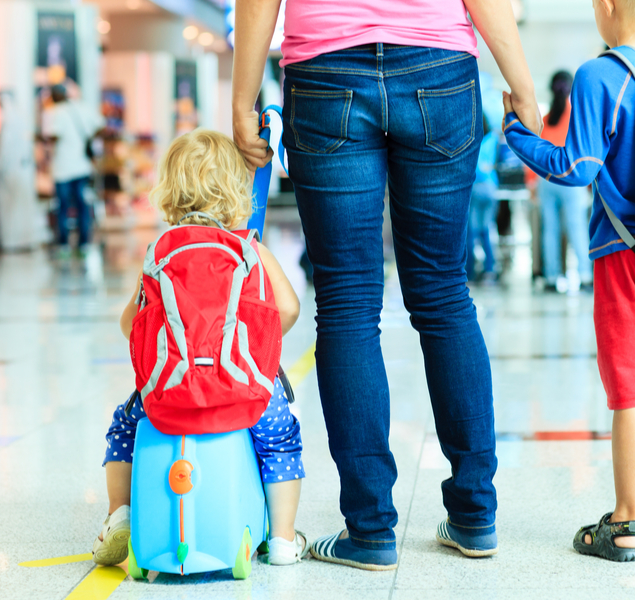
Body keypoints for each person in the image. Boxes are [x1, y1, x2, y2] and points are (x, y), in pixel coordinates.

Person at [232, 0, 542, 571]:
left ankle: (370, 528)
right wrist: (521, 83)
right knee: (445, 294)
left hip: (326, 72)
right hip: (439, 70)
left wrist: (242, 100)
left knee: (347, 304)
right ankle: (475, 516)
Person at [503, 0, 635, 562]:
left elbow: (577, 169)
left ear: (606, 6)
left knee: (634, 392)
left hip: (628, 257)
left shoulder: (600, 73)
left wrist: (517, 134)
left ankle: (625, 524)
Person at [91, 130, 308, 567]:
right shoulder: (249, 249)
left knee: (122, 428)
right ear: (236, 190)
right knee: (281, 441)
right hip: (246, 395)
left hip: (165, 399)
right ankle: (283, 538)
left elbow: (129, 325)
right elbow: (289, 310)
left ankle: (120, 516)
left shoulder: (158, 253)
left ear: (169, 191)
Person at [529, 71, 593, 292]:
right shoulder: (576, 117)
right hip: (570, 178)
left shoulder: (545, 120)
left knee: (550, 229)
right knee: (576, 227)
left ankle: (551, 277)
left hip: (545, 179)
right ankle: (585, 275)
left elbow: (534, 153)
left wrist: (532, 185)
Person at [41, 84, 104, 258]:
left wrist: (39, 137)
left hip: (63, 169)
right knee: (82, 205)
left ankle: (64, 244)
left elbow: (53, 136)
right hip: (82, 167)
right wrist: (87, 139)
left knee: (62, 206)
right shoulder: (81, 107)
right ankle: (84, 243)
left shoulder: (55, 112)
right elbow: (101, 125)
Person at [0, 89, 45, 251]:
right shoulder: (22, 121)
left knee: (13, 209)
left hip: (12, 172)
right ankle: (22, 239)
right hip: (23, 172)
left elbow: (4, 152)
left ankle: (13, 240)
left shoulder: (9, 123)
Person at [466, 115, 500, 282]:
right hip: (490, 187)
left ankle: (470, 272)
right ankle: (489, 270)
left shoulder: (470, 138)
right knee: (486, 229)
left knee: (471, 231)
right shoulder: (493, 138)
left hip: (473, 186)